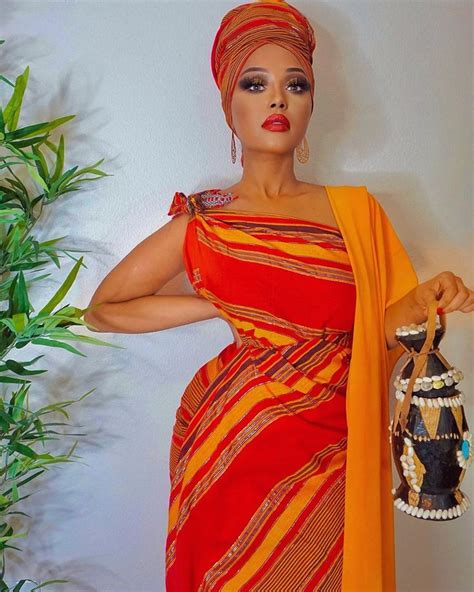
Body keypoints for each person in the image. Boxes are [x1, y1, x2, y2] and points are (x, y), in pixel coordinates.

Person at [84, 1, 473, 590]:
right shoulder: (206, 220)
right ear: (228, 105)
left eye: (295, 84)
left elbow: (376, 332)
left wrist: (427, 298)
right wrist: (217, 304)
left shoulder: (356, 212)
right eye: (255, 83)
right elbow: (102, 310)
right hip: (232, 447)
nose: (277, 100)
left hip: (333, 449)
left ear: (312, 102)